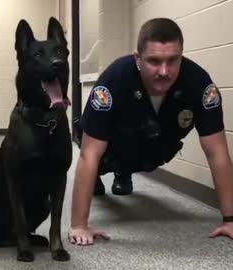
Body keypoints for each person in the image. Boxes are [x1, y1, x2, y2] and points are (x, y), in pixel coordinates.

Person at [68, 17, 233, 245]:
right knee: (93, 146)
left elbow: (218, 152)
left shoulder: (199, 83)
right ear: (138, 59)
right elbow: (90, 155)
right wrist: (79, 225)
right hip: (112, 148)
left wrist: (230, 219)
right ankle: (108, 172)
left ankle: (124, 171)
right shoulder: (114, 80)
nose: (164, 71)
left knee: (146, 149)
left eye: (172, 61)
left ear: (181, 57)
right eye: (154, 61)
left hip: (155, 149)